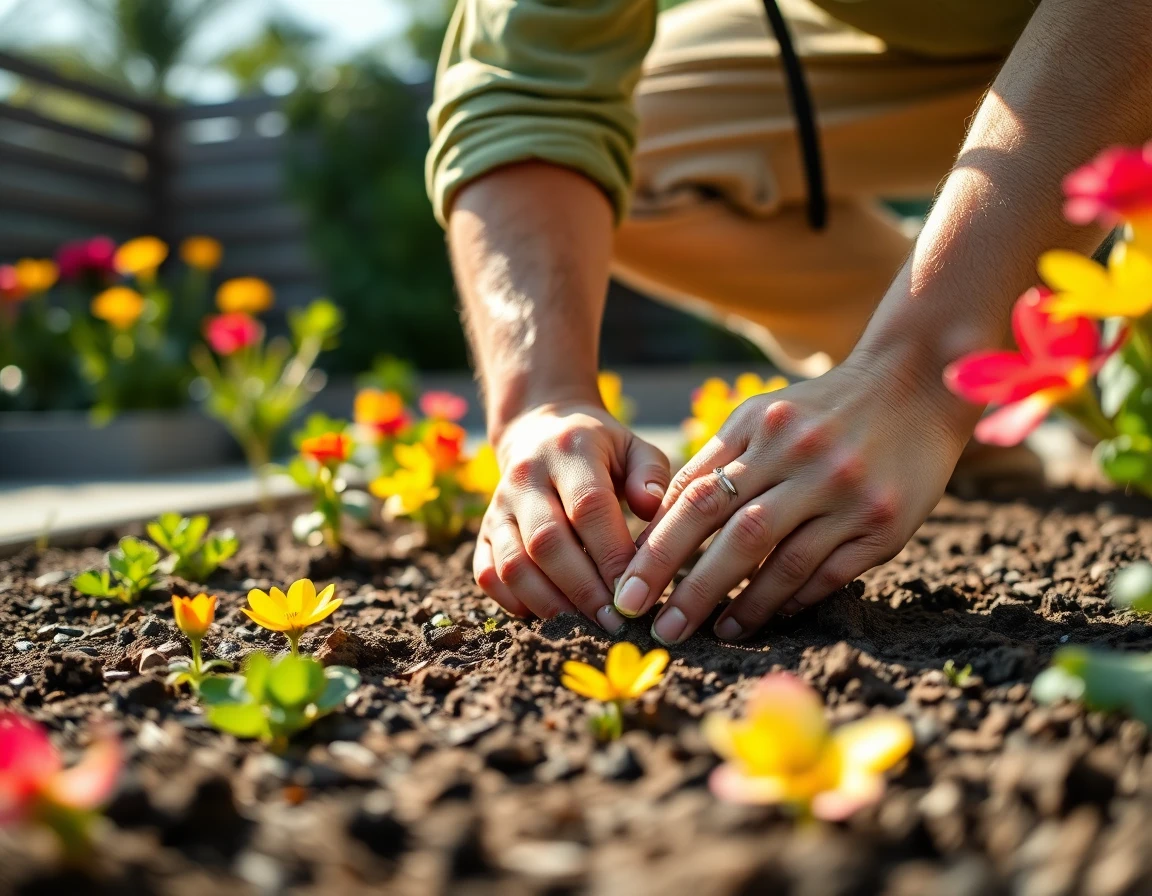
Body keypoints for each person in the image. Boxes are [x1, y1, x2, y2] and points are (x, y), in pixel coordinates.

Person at [426, 0, 1152, 646]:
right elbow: (523, 87)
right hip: (917, 50)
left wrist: (916, 371)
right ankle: (1017, 372)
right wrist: (541, 403)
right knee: (636, 143)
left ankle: (970, 366)